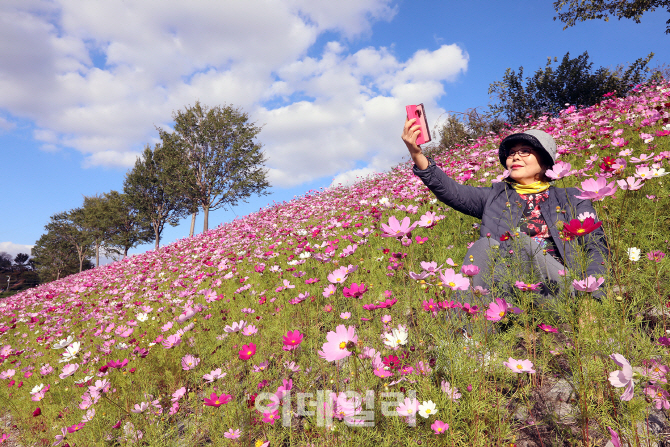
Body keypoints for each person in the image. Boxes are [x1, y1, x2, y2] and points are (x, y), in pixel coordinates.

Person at [401, 117, 609, 303]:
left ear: (546, 161)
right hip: (508, 289)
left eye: (525, 151)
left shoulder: (571, 197)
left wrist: (592, 297)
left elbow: (596, 247)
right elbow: (451, 192)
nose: (515, 157)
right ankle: (468, 337)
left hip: (558, 290)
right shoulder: (495, 196)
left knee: (521, 241)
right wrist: (416, 153)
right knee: (483, 246)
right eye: (511, 153)